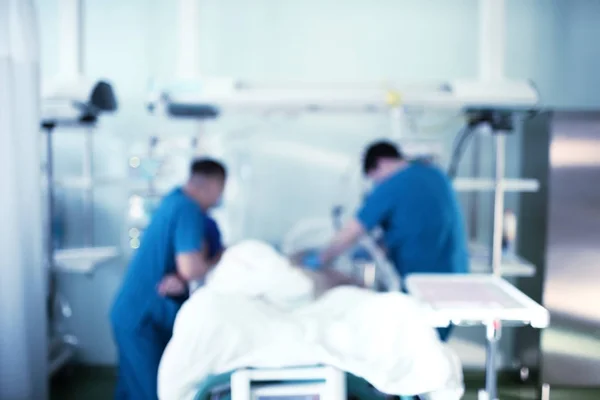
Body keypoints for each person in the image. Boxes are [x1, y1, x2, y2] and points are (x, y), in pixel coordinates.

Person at [304, 140, 469, 341]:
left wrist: (321, 258)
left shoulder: (393, 184)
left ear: (380, 164)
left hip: (423, 280)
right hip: (456, 274)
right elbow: (415, 225)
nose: (376, 185)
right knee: (434, 342)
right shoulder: (434, 174)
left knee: (422, 343)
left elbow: (352, 231)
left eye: (375, 179)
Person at [110, 158, 227, 400]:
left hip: (131, 313)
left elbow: (183, 267)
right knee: (151, 393)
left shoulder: (174, 201)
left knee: (131, 390)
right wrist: (219, 258)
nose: (219, 198)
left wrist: (183, 276)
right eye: (221, 190)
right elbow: (191, 267)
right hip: (142, 319)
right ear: (213, 185)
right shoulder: (189, 209)